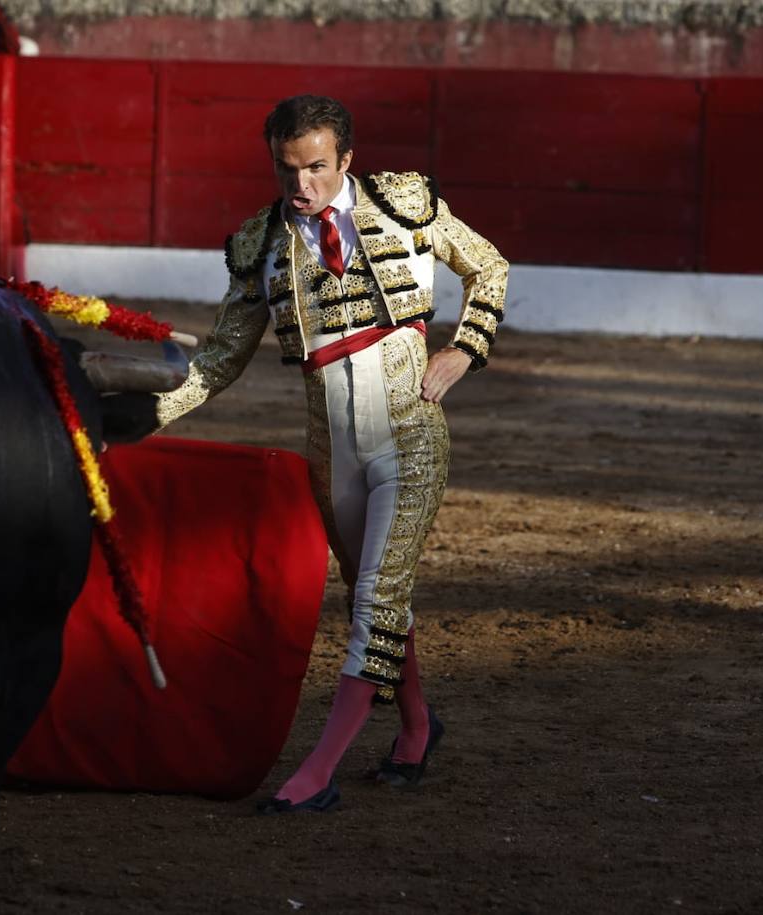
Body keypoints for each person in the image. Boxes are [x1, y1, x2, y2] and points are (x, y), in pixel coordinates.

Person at [130, 95, 508, 813]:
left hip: (411, 432)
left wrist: (465, 348)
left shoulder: (405, 206)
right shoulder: (260, 245)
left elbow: (489, 268)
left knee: (375, 595)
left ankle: (319, 769)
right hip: (330, 452)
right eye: (286, 168)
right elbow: (215, 363)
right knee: (376, 589)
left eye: (315, 168)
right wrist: (140, 416)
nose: (300, 183)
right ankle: (419, 726)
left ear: (346, 161)